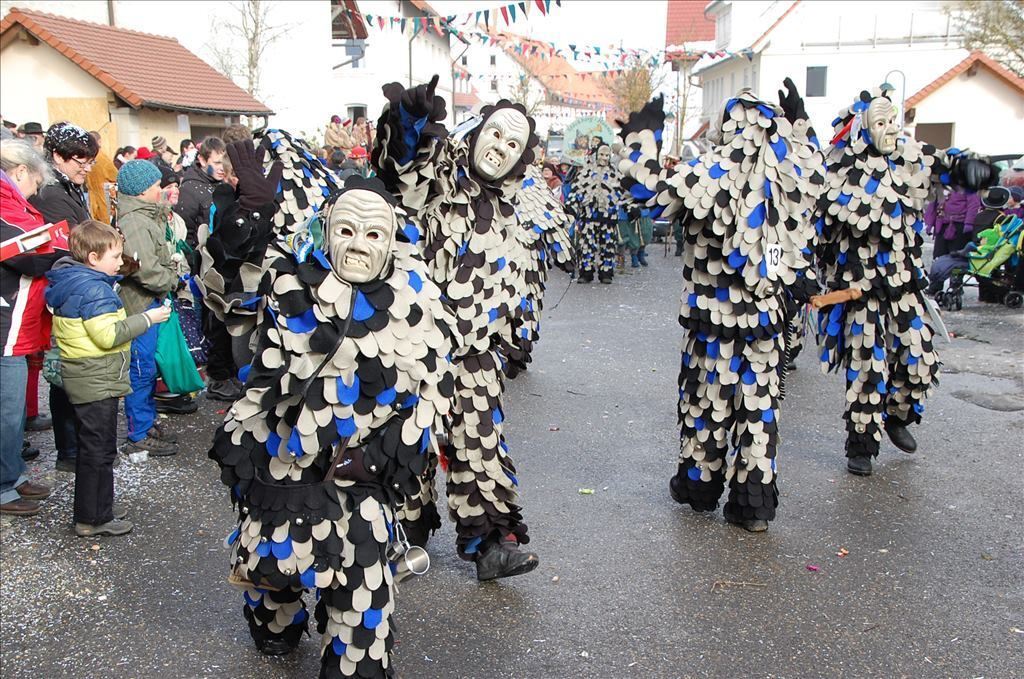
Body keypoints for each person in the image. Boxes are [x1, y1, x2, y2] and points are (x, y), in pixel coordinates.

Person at [206, 144, 455, 676]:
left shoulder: (417, 296)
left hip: (362, 472)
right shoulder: (289, 281)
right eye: (346, 231)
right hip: (283, 461)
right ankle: (278, 623)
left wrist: (390, 452)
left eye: (373, 234)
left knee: (361, 597)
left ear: (392, 242)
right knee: (275, 582)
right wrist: (245, 215)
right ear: (325, 232)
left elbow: (432, 386)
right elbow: (231, 289)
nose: (359, 246)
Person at [614, 82, 824, 531]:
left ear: (729, 129)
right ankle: (752, 506)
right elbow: (816, 171)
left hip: (716, 324)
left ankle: (700, 486)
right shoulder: (788, 179)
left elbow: (647, 192)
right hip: (763, 323)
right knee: (757, 411)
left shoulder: (710, 173)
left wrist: (641, 137)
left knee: (707, 404)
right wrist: (801, 124)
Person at [372, 75, 544, 579]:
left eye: (513, 144)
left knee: (480, 448)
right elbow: (402, 170)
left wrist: (516, 340)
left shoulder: (517, 210)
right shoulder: (443, 174)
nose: (500, 149)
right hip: (413, 341)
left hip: (476, 353)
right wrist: (408, 124)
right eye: (495, 134)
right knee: (405, 444)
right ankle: (396, 538)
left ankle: (490, 546)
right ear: (478, 131)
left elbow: (523, 279)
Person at [815, 84, 985, 476]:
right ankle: (861, 445)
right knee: (867, 368)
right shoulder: (839, 169)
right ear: (863, 127)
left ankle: (897, 415)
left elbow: (943, 163)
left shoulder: (911, 158)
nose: (890, 128)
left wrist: (969, 170)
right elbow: (817, 223)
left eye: (893, 120)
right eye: (880, 122)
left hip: (904, 283)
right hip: (858, 290)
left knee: (919, 359)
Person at [46, 221, 171, 536]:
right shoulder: (93, 289)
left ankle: (97, 510)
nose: (120, 262)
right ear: (93, 257)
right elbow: (107, 336)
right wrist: (146, 318)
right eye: (115, 256)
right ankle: (92, 518)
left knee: (96, 448)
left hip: (86, 373)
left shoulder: (75, 280)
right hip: (95, 376)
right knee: (98, 450)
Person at [30, 122, 100, 473]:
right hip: (68, 286)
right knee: (66, 371)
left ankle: (72, 448)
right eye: (80, 160)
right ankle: (69, 450)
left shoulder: (68, 186)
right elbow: (70, 243)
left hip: (74, 282)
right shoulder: (52, 194)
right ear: (57, 155)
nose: (86, 167)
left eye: (89, 161)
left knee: (69, 369)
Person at [0, 138, 59, 515]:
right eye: (36, 185)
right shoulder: (5, 207)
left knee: (14, 406)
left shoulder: (11, 204)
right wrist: (53, 249)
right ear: (20, 171)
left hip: (16, 321)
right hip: (5, 321)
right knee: (6, 408)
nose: (35, 196)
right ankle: (3, 486)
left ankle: (13, 473)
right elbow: (28, 259)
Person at [115, 160, 181, 456]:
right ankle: (138, 433)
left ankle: (146, 420)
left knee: (148, 367)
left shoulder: (145, 216)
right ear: (142, 191)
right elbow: (145, 269)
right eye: (157, 187)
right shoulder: (135, 222)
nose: (161, 191)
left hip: (148, 303)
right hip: (139, 305)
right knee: (141, 369)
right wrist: (171, 281)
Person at [566, 144, 622, 284]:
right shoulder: (585, 172)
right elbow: (576, 190)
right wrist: (571, 207)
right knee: (586, 246)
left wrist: (629, 207)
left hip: (608, 217)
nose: (604, 158)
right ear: (596, 155)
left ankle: (606, 273)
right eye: (601, 155)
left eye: (607, 155)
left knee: (607, 246)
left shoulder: (614, 173)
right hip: (588, 216)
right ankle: (586, 273)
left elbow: (622, 193)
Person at [175, 135, 226, 249]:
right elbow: (184, 234)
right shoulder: (188, 189)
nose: (222, 168)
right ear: (202, 160)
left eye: (224, 162)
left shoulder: (223, 185)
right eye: (217, 163)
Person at [84, 131, 118, 224]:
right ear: (99, 141)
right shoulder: (102, 158)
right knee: (107, 225)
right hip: (104, 196)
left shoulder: (86, 157)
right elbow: (115, 176)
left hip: (93, 197)